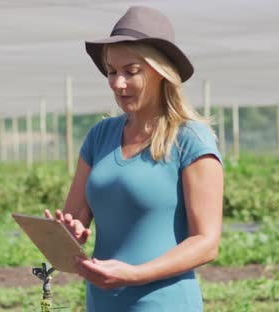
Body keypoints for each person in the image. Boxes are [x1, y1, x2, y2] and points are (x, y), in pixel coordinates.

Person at [44, 6, 223, 311]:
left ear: (160, 71)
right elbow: (76, 220)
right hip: (101, 301)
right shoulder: (100, 136)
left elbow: (206, 243)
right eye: (112, 72)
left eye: (131, 71)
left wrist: (135, 275)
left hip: (163, 302)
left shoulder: (190, 140)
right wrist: (67, 234)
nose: (117, 83)